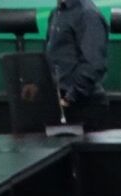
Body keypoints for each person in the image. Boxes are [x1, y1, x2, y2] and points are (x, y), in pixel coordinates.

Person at [45, 0, 108, 128]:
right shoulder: (57, 13)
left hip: (82, 106)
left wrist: (69, 98)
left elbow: (93, 64)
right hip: (61, 103)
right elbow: (53, 57)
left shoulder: (87, 14)